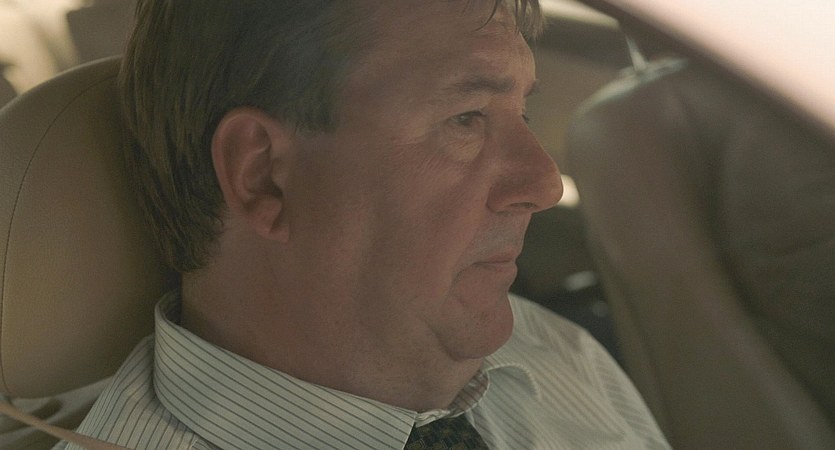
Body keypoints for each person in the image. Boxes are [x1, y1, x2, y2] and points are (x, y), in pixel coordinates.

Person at [59, 0, 669, 448]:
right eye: (466, 118)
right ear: (263, 175)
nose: (543, 183)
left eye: (523, 113)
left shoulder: (556, 357)